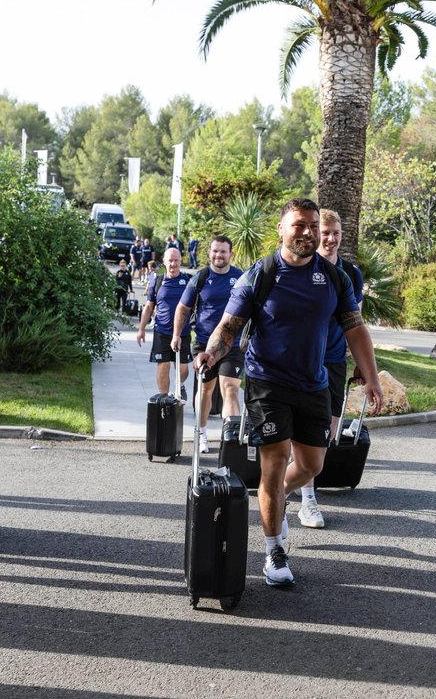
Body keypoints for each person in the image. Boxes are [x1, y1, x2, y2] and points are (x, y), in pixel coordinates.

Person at [195, 197, 384, 588]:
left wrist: (372, 377)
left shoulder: (335, 278)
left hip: (314, 384)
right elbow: (229, 326)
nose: (308, 232)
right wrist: (211, 354)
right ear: (281, 229)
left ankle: (272, 496)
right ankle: (274, 551)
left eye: (313, 225)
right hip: (267, 383)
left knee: (314, 465)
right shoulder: (261, 273)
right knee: (275, 461)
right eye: (299, 225)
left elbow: (355, 327)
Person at [295, 208, 365, 529]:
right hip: (305, 359)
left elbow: (356, 322)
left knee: (327, 436)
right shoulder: (304, 266)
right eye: (326, 232)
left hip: (336, 360)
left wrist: (362, 364)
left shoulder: (351, 273)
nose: (331, 238)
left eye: (336, 233)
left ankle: (289, 484)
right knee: (305, 432)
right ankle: (307, 499)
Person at [172, 236, 243, 453]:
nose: (218, 255)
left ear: (231, 254)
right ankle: (201, 433)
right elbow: (183, 308)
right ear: (209, 253)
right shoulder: (201, 278)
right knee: (205, 390)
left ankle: (231, 439)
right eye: (215, 251)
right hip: (203, 344)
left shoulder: (240, 278)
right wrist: (176, 335)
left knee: (230, 388)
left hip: (233, 344)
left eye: (223, 251)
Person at [137, 247, 190, 398]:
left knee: (183, 370)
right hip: (162, 331)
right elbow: (149, 305)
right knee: (163, 366)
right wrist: (141, 329)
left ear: (180, 261)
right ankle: (164, 398)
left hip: (183, 332)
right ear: (164, 262)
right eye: (170, 261)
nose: (173, 264)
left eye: (176, 261)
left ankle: (180, 385)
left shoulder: (187, 281)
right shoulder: (158, 278)